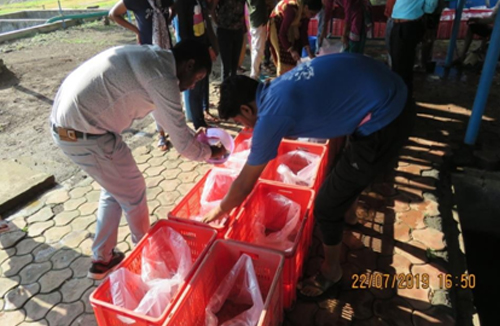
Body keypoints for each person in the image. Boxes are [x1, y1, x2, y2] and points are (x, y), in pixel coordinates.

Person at [203, 54, 414, 298]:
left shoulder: (270, 115)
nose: (245, 127)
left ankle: (330, 272)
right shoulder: (276, 86)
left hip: (387, 117)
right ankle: (350, 213)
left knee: (325, 205)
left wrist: (218, 210)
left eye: (240, 121)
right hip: (390, 90)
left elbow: (243, 185)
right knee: (347, 171)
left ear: (245, 108)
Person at [51, 40, 227, 280]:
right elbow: (185, 147)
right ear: (188, 65)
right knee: (133, 192)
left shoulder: (155, 59)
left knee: (117, 187)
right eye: (197, 78)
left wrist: (192, 141)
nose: (194, 85)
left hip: (75, 127)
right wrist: (212, 152)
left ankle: (102, 258)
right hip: (84, 133)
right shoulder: (162, 79)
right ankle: (148, 259)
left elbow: (168, 120)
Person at [109, 0, 175, 151]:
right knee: (152, 95)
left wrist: (167, 21)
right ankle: (162, 134)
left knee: (169, 90)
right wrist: (137, 31)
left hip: (166, 51)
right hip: (147, 53)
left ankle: (174, 128)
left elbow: (173, 7)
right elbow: (114, 14)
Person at [174, 0, 220, 129]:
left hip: (203, 49)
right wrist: (202, 49)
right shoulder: (183, 3)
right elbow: (185, 33)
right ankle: (198, 124)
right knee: (194, 90)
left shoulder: (200, 1)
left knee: (202, 86)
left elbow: (205, 24)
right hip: (194, 53)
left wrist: (209, 46)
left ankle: (203, 116)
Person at [389, 0, 438, 94]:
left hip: (408, 25)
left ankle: (404, 97)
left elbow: (430, 7)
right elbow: (429, 7)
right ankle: (401, 95)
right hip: (399, 24)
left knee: (403, 66)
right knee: (398, 63)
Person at [268, 0, 322, 76]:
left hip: (291, 27)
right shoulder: (291, 10)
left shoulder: (305, 13)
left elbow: (303, 32)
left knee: (296, 51)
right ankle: (282, 79)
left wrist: (309, 52)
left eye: (315, 15)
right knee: (284, 56)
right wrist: (291, 50)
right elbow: (282, 34)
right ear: (306, 8)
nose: (312, 16)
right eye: (312, 14)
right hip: (278, 26)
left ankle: (290, 77)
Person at [212, 0, 247, 80]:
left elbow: (245, 7)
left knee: (235, 64)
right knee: (226, 65)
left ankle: (232, 87)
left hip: (238, 30)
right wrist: (216, 21)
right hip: (224, 30)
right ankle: (225, 87)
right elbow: (212, 8)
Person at [246, 0, 269, 79]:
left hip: (255, 19)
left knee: (256, 48)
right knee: (258, 49)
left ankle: (256, 73)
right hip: (258, 20)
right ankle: (254, 75)